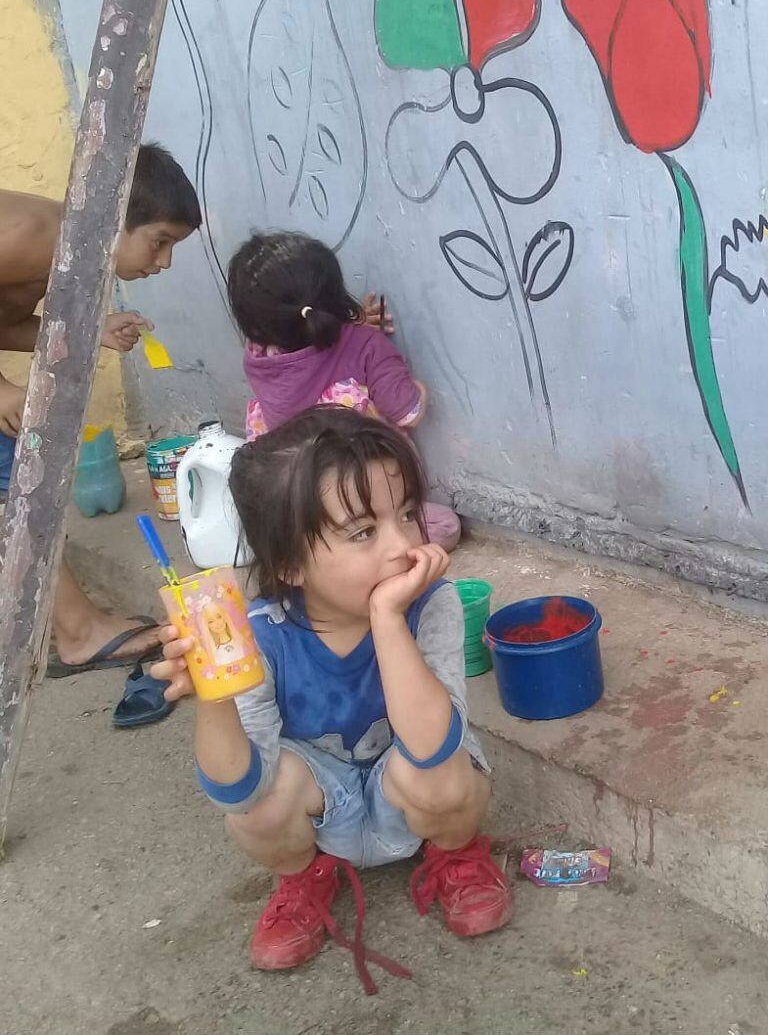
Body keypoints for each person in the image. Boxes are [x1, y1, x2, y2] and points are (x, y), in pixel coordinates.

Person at [151, 406, 511, 991]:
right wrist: (212, 692)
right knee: (257, 810)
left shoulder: (431, 604)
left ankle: (455, 851)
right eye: (364, 532)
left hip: (410, 779)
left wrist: (387, 618)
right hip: (323, 798)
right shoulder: (259, 636)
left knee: (443, 773)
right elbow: (236, 787)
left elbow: (430, 745)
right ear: (290, 563)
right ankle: (303, 874)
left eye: (407, 515)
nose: (403, 547)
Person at [0, 143, 202, 676]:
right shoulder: (34, 236)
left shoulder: (70, 252)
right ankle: (78, 632)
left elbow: (3, 321)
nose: (165, 262)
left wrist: (90, 329)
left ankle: (73, 628)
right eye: (159, 242)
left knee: (14, 471)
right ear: (117, 219)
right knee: (12, 472)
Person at [227, 230, 461, 552]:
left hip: (302, 501)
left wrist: (354, 325)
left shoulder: (258, 358)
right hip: (363, 495)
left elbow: (312, 357)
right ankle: (361, 548)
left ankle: (317, 550)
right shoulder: (365, 346)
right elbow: (406, 410)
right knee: (444, 525)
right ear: (335, 295)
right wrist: (417, 387)